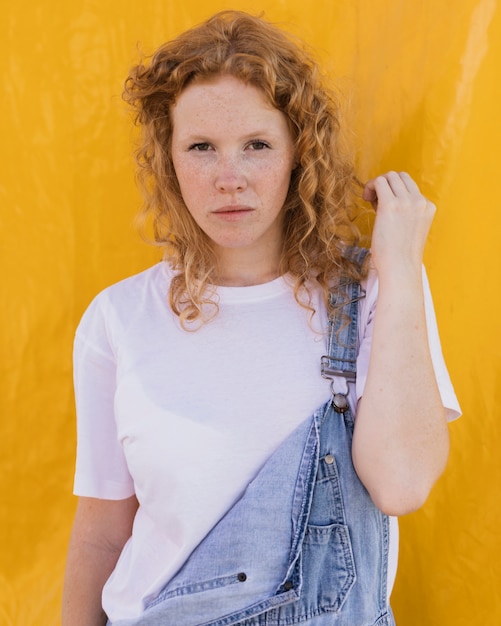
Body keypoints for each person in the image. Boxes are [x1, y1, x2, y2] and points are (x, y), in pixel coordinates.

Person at [62, 10, 460, 626]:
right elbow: (101, 533)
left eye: (256, 145)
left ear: (298, 152)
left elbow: (402, 484)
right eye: (201, 147)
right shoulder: (118, 319)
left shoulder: (372, 292)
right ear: (169, 160)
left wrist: (402, 265)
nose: (230, 179)